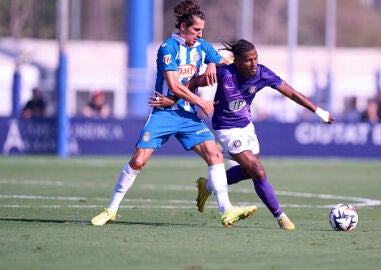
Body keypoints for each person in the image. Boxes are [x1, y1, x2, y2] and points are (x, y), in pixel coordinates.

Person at [91, 0, 257, 227]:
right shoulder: (167, 48)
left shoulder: (203, 47)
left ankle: (226, 210)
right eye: (196, 30)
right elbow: (175, 85)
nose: (200, 35)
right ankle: (111, 209)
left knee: (214, 155)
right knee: (139, 161)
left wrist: (212, 65)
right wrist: (201, 101)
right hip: (164, 114)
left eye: (202, 30)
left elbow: (227, 64)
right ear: (183, 28)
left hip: (188, 117)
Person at [150, 39, 333, 230]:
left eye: (255, 58)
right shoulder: (224, 73)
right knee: (258, 170)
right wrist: (173, 99)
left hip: (247, 127)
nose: (253, 64)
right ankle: (281, 218)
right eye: (248, 60)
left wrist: (319, 112)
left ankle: (207, 187)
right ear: (236, 61)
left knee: (247, 171)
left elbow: (292, 94)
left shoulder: (262, 73)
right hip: (226, 130)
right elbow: (194, 81)